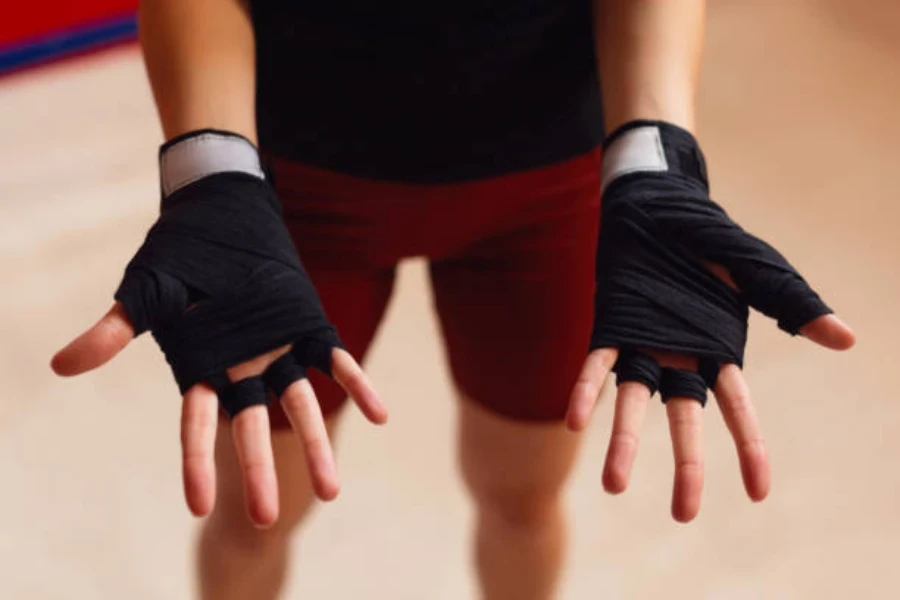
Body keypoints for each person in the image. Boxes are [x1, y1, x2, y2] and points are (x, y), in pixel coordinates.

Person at [50, 0, 856, 598]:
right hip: (290, 189)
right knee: (257, 509)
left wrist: (658, 160)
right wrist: (211, 170)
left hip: (545, 187)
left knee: (522, 499)